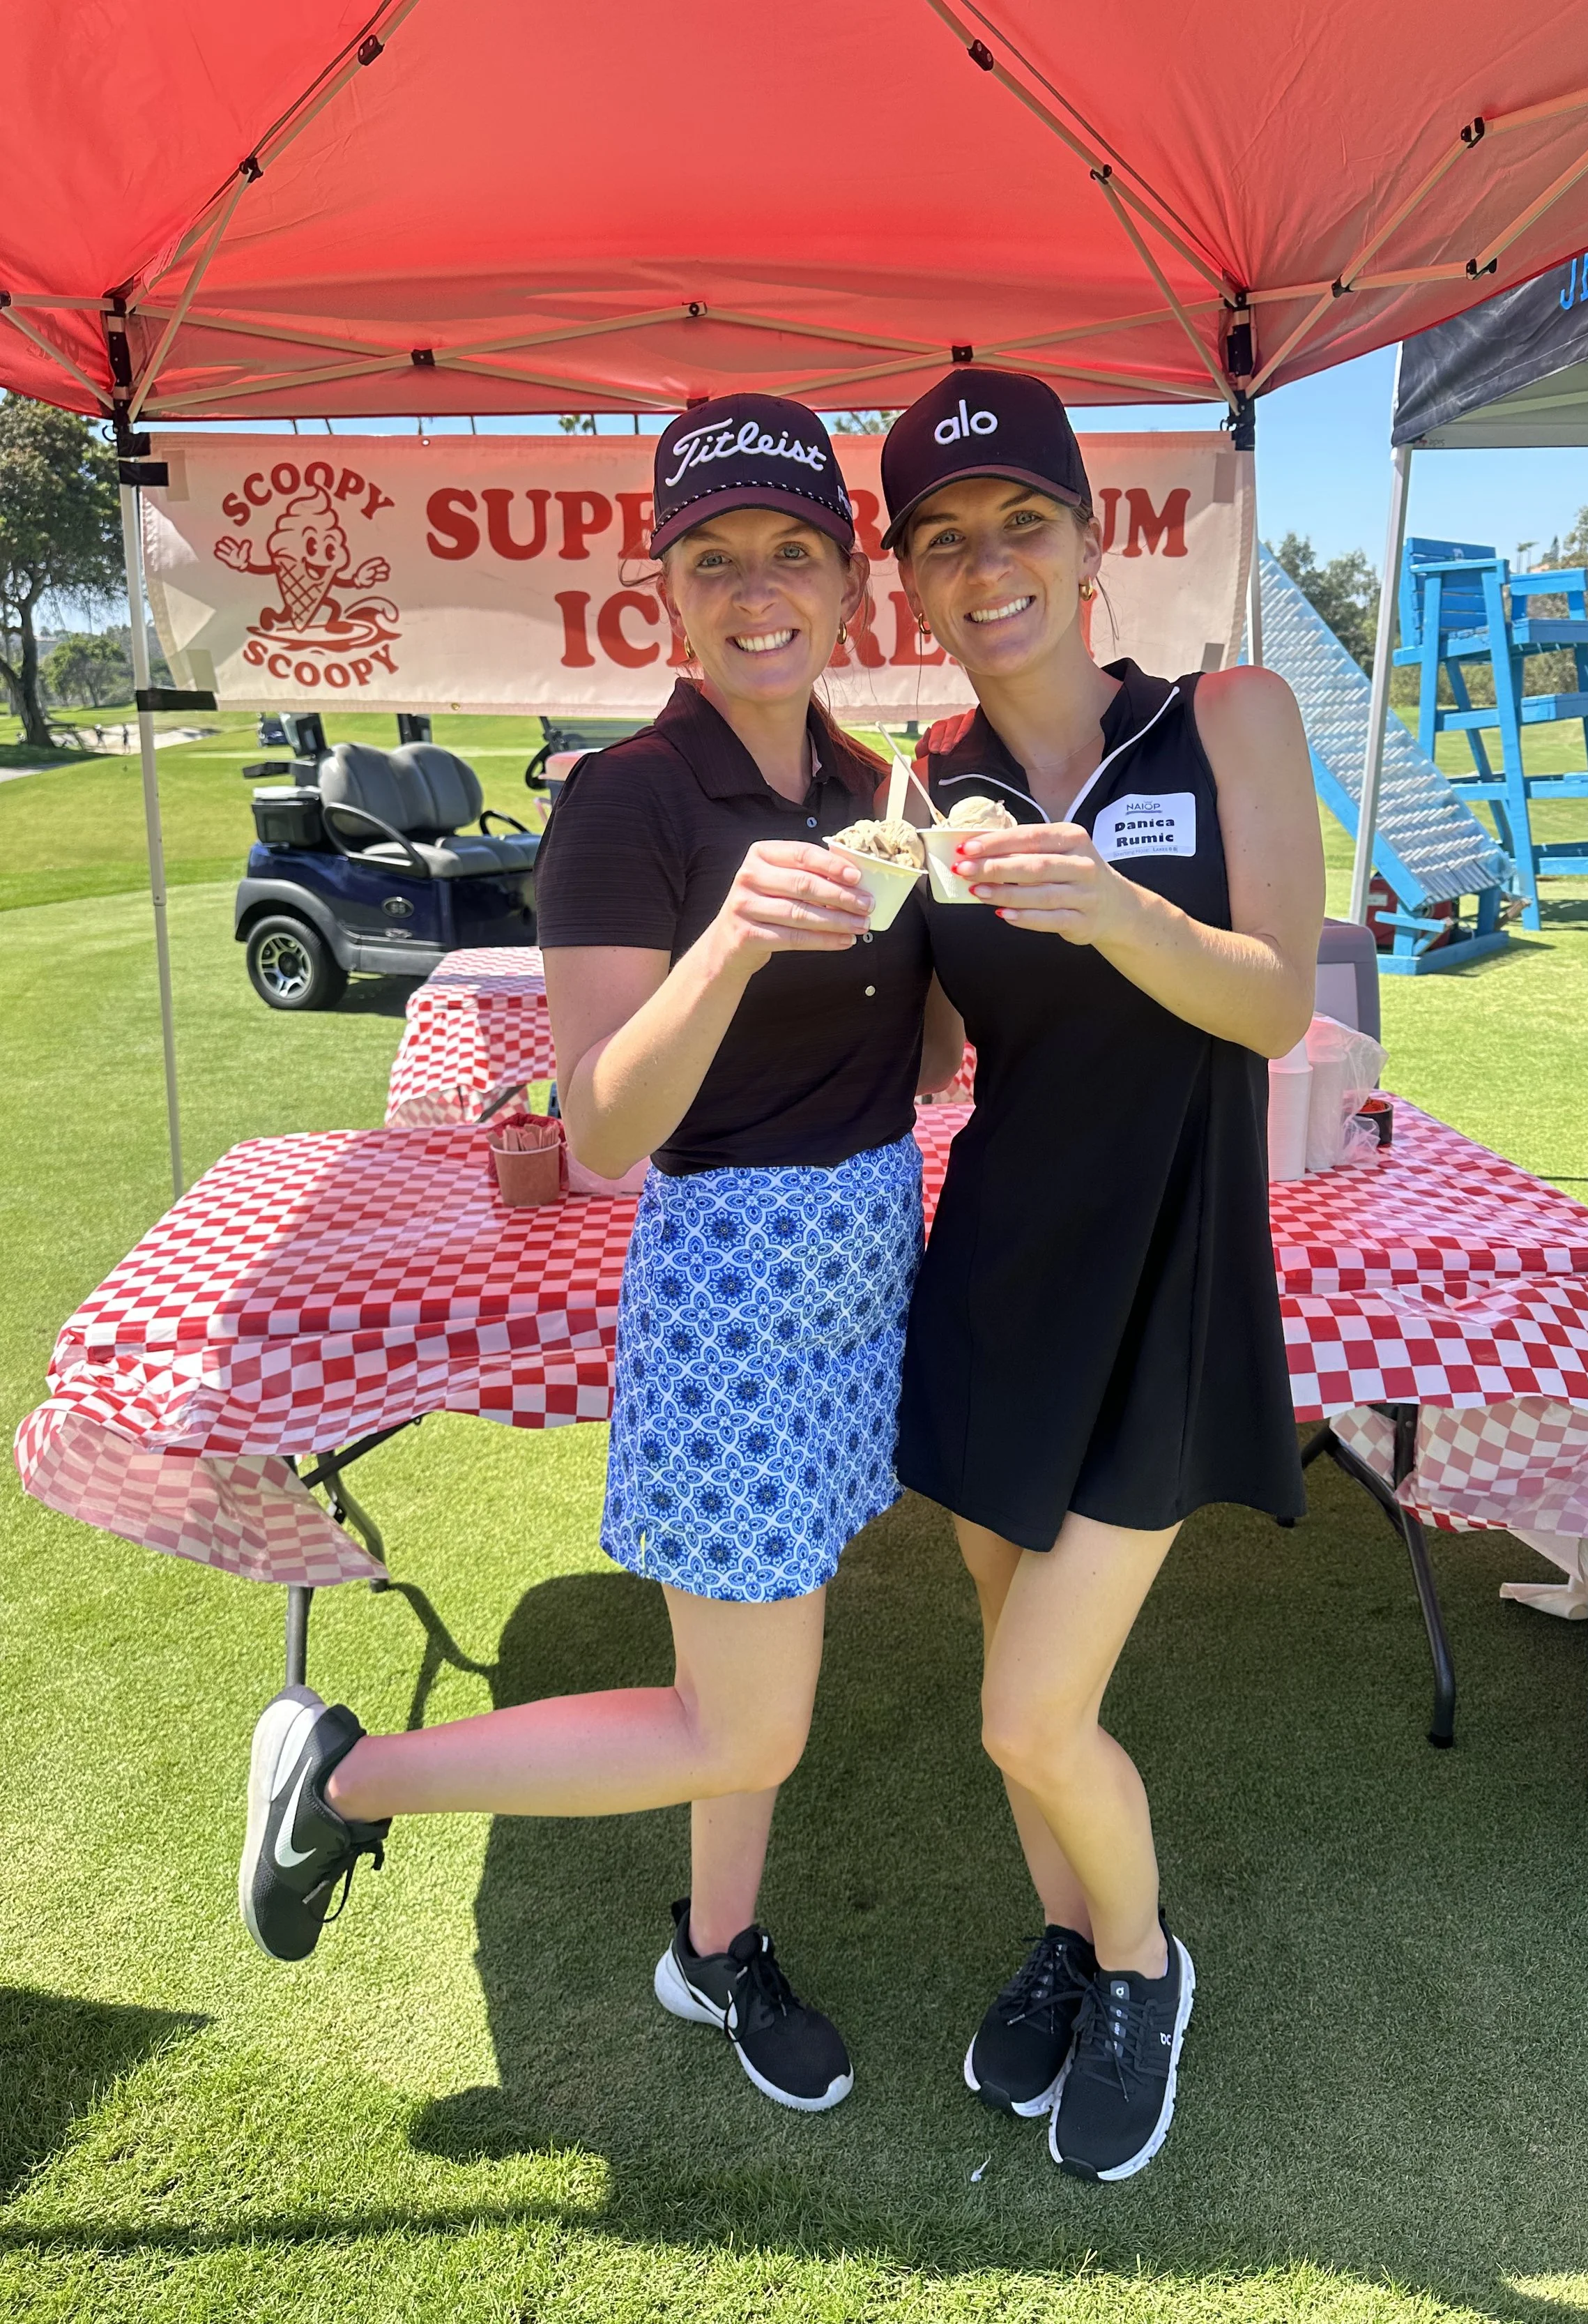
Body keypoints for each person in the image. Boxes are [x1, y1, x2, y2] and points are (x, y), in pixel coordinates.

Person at [238, 394, 963, 2116]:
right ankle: (344, 1781)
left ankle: (712, 1950)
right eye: (714, 561)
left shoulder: (884, 789)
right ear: (665, 593)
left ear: (849, 583)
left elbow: (922, 1064)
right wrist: (731, 933)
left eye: (794, 552)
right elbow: (608, 1128)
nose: (757, 589)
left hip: (867, 1255)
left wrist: (979, 927)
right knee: (746, 1723)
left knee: (755, 1660)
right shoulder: (625, 803)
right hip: (727, 1281)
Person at [883, 369, 1322, 2180]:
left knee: (1026, 1708)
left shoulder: (1227, 713)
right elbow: (919, 1062)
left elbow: (1276, 997)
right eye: (941, 538)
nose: (986, 565)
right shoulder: (927, 781)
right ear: (912, 577)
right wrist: (806, 931)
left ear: (1088, 538)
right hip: (992, 1276)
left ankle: (1143, 1963)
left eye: (1020, 522)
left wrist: (1115, 907)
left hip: (1164, 1282)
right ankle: (1065, 1934)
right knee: (1010, 1656)